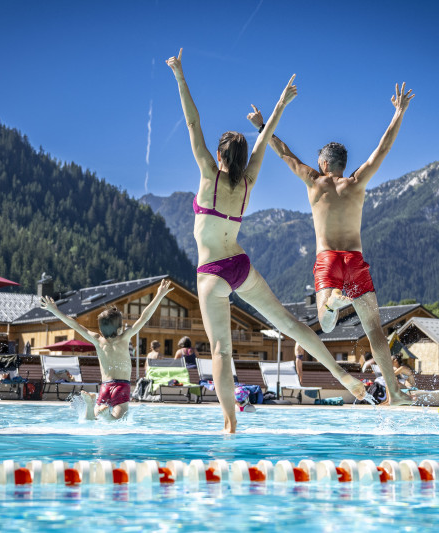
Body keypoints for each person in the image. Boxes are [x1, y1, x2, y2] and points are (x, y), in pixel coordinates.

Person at [167, 48, 367, 433]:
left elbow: (193, 125)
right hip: (240, 264)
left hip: (211, 273)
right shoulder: (247, 180)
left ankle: (229, 423)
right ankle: (339, 375)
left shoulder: (209, 176)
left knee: (222, 351)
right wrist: (281, 103)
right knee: (291, 324)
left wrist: (179, 75)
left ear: (220, 156)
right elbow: (265, 138)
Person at [246, 83, 415, 406]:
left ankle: (333, 304)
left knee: (324, 322)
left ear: (323, 164)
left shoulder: (314, 180)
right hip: (355, 260)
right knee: (374, 330)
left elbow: (283, 152)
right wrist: (399, 111)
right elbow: (383, 149)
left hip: (328, 260)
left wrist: (260, 124)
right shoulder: (357, 182)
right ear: (342, 163)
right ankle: (394, 392)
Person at [40, 280, 174, 420]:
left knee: (92, 420)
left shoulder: (98, 340)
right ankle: (107, 415)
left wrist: (55, 310)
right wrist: (159, 295)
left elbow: (75, 325)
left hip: (105, 386)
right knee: (117, 418)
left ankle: (91, 404)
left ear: (100, 329)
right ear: (120, 329)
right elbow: (143, 317)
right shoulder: (124, 338)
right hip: (122, 386)